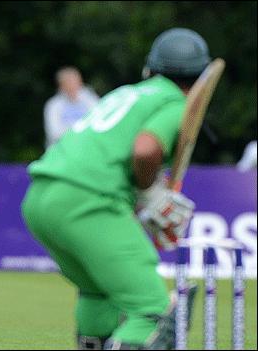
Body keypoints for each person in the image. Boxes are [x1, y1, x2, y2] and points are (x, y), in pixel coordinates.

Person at [21, 28, 210, 349]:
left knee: (99, 293)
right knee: (153, 310)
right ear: (199, 81)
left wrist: (137, 195)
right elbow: (146, 149)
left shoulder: (126, 93)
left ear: (150, 68)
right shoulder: (176, 102)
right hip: (88, 201)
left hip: (40, 197)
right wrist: (151, 191)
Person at [43, 66, 99, 148]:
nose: (73, 86)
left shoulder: (90, 99)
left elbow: (99, 121)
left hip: (88, 146)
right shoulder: (53, 105)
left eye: (75, 82)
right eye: (68, 83)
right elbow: (54, 133)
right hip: (63, 150)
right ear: (61, 86)